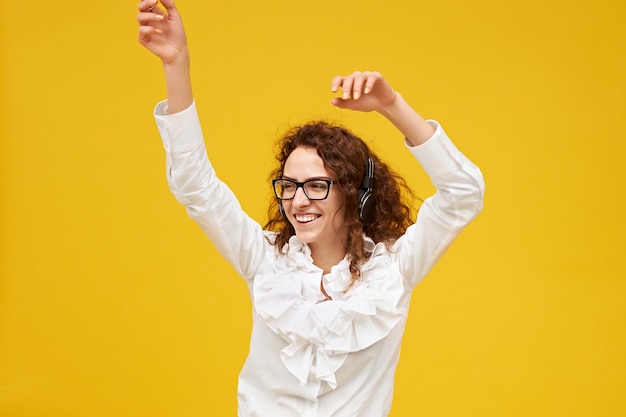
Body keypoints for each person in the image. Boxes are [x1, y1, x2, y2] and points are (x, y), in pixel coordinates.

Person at [137, 1, 485, 416]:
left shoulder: (394, 269)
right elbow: (194, 184)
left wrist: (391, 105)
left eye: (317, 185)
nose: (298, 200)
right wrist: (176, 65)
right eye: (289, 186)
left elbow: (463, 192)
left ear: (353, 192)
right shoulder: (263, 259)